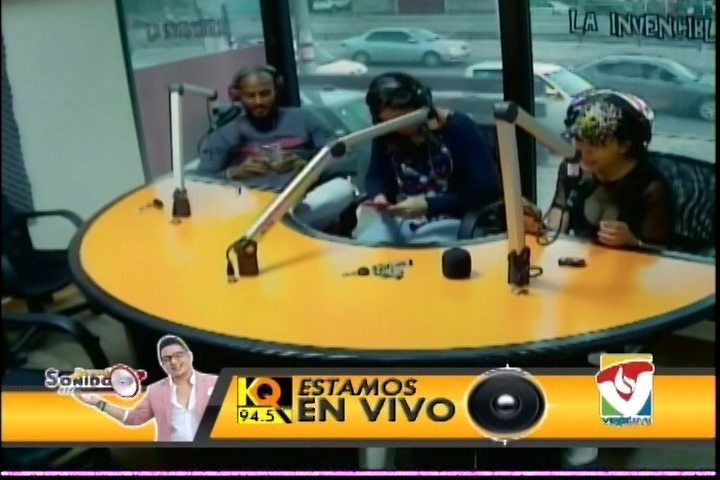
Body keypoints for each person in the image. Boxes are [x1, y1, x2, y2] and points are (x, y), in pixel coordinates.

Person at [198, 64, 356, 233]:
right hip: (250, 204)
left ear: (276, 91)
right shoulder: (225, 133)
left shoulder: (305, 118)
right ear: (238, 97)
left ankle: (278, 226)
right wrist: (234, 172)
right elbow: (201, 180)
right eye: (251, 96)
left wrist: (307, 167)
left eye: (265, 94)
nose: (259, 101)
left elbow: (345, 160)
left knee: (343, 188)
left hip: (301, 200)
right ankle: (279, 226)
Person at [356, 72, 501, 246]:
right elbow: (376, 175)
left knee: (420, 254)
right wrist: (379, 196)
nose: (403, 129)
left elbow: (487, 189)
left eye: (406, 120)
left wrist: (430, 205)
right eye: (392, 123)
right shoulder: (388, 133)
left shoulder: (460, 128)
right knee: (368, 248)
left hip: (450, 219)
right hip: (401, 218)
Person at [525, 89, 673, 250]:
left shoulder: (651, 188)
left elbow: (661, 253)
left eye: (596, 143)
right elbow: (559, 217)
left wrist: (633, 242)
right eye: (579, 139)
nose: (584, 151)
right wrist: (539, 227)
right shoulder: (573, 169)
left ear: (624, 145)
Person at [74, 335, 217, 442]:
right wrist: (98, 403)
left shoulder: (215, 382)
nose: (173, 361)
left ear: (190, 356)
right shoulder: (155, 390)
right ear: (162, 365)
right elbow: (133, 418)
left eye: (178, 355)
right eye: (167, 359)